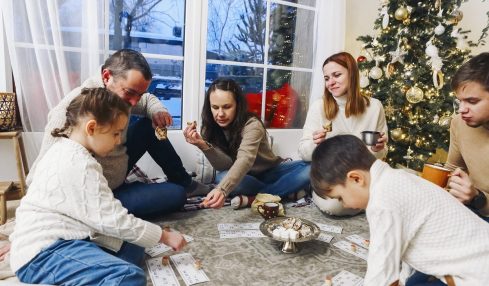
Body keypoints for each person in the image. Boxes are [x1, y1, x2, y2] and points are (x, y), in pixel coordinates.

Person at [10, 88, 187, 285]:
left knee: (134, 245)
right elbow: (112, 219)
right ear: (91, 128)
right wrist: (163, 236)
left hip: (72, 237)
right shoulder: (80, 163)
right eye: (116, 133)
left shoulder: (65, 148)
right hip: (44, 254)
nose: (119, 140)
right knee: (128, 276)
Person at [28, 49, 207, 219]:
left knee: (147, 126)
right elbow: (41, 175)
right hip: (97, 195)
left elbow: (146, 100)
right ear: (106, 77)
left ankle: (185, 181)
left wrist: (157, 111)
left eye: (139, 94)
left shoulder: (120, 97)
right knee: (176, 195)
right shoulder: (72, 112)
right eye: (130, 93)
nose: (134, 102)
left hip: (117, 173)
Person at [310, 135, 489, 286]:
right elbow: (405, 248)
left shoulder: (382, 201)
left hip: (477, 275)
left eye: (340, 197)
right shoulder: (397, 177)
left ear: (356, 179)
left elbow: (380, 272)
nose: (344, 205)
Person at [183, 78, 310, 209]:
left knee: (312, 168)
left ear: (238, 105)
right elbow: (225, 165)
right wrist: (203, 145)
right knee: (222, 177)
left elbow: (245, 159)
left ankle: (256, 198)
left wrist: (222, 190)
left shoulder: (252, 125)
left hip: (271, 171)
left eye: (227, 107)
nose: (220, 114)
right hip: (244, 177)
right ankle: (281, 192)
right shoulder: (209, 128)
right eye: (215, 107)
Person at [298, 52, 388, 216]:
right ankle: (363, 201)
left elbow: (381, 155)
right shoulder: (319, 107)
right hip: (332, 174)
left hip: (363, 176)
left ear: (352, 74)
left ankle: (364, 200)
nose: (330, 83)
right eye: (326, 78)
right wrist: (315, 144)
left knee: (402, 186)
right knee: (336, 207)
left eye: (336, 75)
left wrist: (378, 148)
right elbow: (303, 153)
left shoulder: (375, 107)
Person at [446, 52, 489, 221]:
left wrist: (477, 198)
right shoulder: (459, 123)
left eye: (472, 101)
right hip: (471, 210)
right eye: (459, 101)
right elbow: (452, 169)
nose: (461, 110)